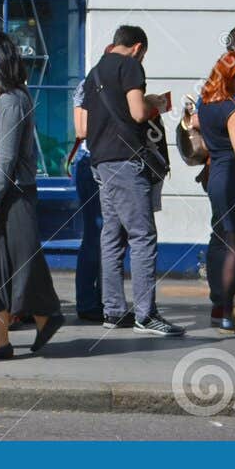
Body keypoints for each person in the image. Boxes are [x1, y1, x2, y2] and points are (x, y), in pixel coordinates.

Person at [0, 31, 64, 358]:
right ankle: (42, 317)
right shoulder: (7, 96)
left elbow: (6, 155)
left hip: (9, 195)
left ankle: (2, 340)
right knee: (9, 265)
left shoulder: (9, 99)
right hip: (6, 193)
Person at [82, 24, 182, 336]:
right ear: (138, 48)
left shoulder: (94, 73)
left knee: (112, 236)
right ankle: (145, 314)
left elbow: (83, 127)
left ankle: (113, 311)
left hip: (100, 161)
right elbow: (139, 113)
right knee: (142, 236)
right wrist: (157, 104)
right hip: (126, 161)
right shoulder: (130, 66)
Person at [196, 51, 235, 334]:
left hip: (219, 178)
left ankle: (233, 308)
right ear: (232, 79)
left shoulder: (208, 105)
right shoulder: (232, 109)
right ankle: (228, 313)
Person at [66, 75, 101, 322]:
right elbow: (82, 130)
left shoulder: (88, 85)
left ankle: (96, 300)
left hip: (92, 163)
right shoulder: (90, 85)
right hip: (95, 164)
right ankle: (89, 302)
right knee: (96, 234)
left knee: (99, 236)